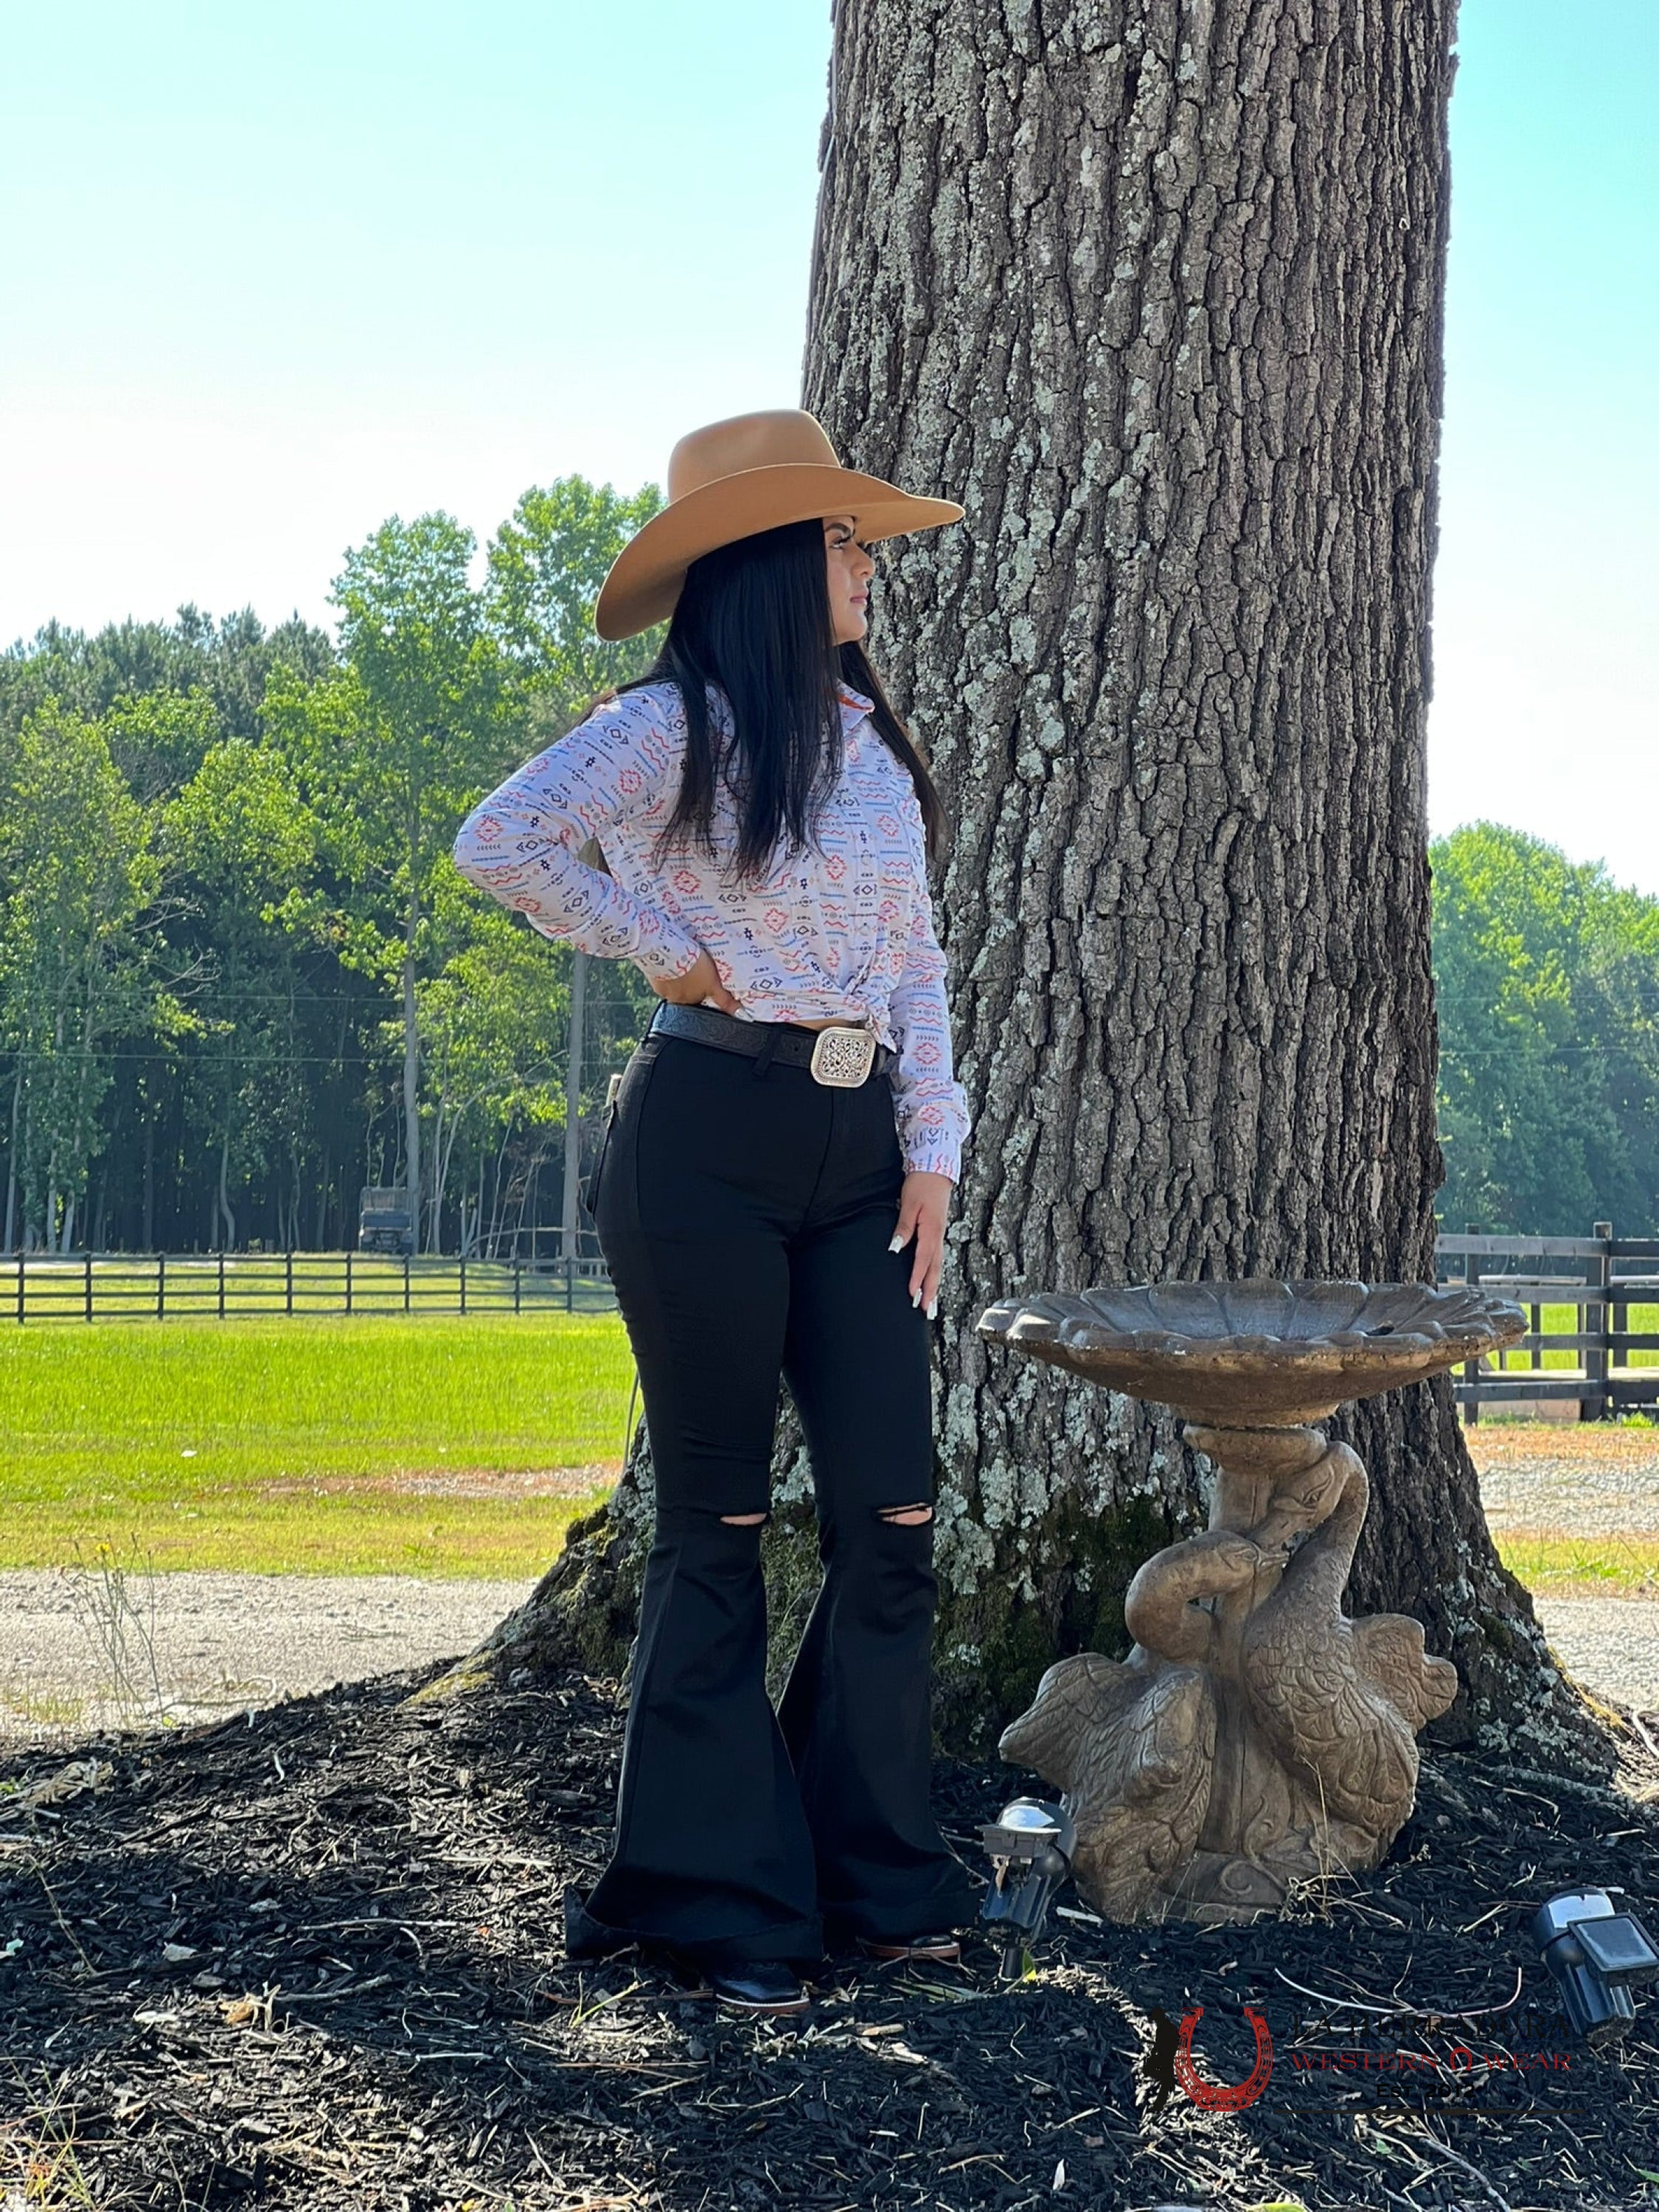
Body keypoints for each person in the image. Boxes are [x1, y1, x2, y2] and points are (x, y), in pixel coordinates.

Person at [453, 408, 978, 2015]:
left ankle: (869, 1873)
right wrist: (649, 945)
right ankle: (717, 1899)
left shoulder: (869, 743)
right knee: (722, 1527)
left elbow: (916, 970)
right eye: (842, 539)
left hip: (857, 1161)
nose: (868, 564)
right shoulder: (672, 724)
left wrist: (935, 1151)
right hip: (702, 1143)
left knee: (895, 1511)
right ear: (763, 558)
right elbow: (500, 840)